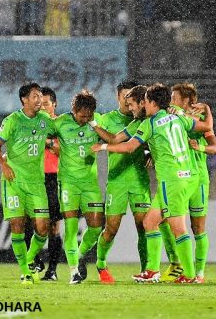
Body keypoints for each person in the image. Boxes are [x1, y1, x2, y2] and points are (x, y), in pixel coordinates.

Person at [92, 83, 213, 283]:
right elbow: (206, 127)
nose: (142, 105)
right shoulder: (178, 116)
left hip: (171, 179)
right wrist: (207, 109)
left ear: (152, 103)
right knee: (150, 222)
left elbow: (130, 147)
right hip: (188, 175)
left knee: (178, 228)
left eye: (145, 101)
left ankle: (190, 275)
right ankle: (152, 270)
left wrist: (103, 146)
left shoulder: (150, 123)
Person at [88, 82, 151, 284]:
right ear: (117, 97)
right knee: (111, 228)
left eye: (130, 99)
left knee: (144, 226)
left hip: (139, 181)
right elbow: (114, 139)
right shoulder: (107, 119)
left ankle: (146, 269)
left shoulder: (145, 121)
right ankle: (100, 263)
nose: (127, 103)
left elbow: (151, 141)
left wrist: (150, 152)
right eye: (124, 97)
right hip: (116, 181)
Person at [0, 82, 54, 285]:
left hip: (36, 183)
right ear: (24, 100)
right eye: (35, 97)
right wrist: (3, 165)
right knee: (17, 225)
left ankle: (28, 262)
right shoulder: (12, 120)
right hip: (14, 181)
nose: (39, 101)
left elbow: (58, 133)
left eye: (41, 97)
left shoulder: (45, 120)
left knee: (43, 228)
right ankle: (25, 271)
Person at [167, 82, 216, 283]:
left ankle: (199, 273)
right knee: (167, 222)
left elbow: (215, 148)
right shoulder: (172, 118)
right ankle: (179, 265)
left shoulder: (200, 120)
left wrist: (200, 148)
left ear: (187, 100)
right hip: (178, 178)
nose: (172, 100)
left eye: (175, 97)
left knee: (198, 228)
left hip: (198, 178)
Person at [53, 90, 104, 284]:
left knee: (96, 226)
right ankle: (74, 271)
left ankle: (79, 253)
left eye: (89, 116)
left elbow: (112, 138)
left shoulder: (96, 120)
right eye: (82, 116)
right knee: (71, 227)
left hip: (90, 184)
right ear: (74, 110)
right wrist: (50, 143)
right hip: (68, 183)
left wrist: (97, 126)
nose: (85, 120)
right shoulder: (60, 123)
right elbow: (41, 135)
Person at [40, 86, 62, 281]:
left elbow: (61, 150)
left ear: (54, 104)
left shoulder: (60, 124)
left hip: (54, 178)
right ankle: (36, 261)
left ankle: (52, 270)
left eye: (46, 104)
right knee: (33, 222)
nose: (43, 107)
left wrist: (45, 141)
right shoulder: (33, 124)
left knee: (53, 226)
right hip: (35, 178)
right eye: (40, 104)